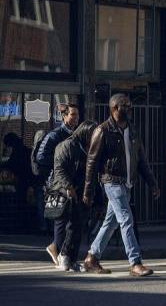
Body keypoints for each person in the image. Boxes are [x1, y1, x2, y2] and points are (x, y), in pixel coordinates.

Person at [82, 94, 159, 277]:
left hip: (127, 183)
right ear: (115, 108)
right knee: (126, 219)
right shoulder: (102, 130)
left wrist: (152, 183)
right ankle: (135, 262)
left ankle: (91, 257)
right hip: (111, 182)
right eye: (126, 105)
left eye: (130, 104)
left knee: (111, 223)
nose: (130, 107)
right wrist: (88, 189)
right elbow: (91, 162)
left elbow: (141, 159)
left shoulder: (132, 130)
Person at [50, 121, 97, 272]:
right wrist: (68, 187)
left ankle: (73, 258)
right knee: (71, 225)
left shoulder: (87, 148)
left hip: (81, 190)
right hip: (67, 191)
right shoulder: (67, 145)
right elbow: (60, 169)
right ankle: (64, 255)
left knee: (78, 226)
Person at [38, 103, 80, 265]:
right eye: (72, 115)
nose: (75, 118)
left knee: (70, 218)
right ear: (64, 116)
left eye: (77, 115)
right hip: (57, 181)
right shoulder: (55, 135)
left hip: (71, 180)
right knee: (61, 216)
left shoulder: (75, 134)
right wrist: (58, 163)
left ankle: (59, 248)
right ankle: (57, 248)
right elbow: (41, 157)